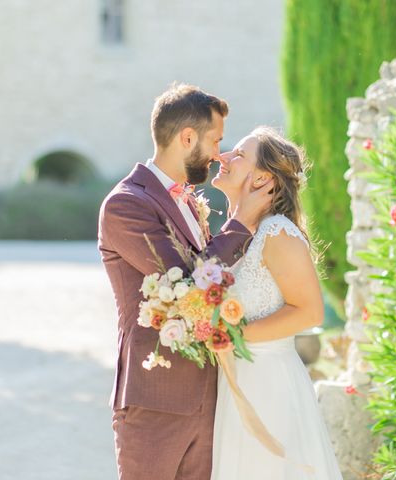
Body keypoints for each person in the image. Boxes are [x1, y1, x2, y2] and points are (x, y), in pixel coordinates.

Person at [97, 84, 273, 480]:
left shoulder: (190, 200)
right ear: (187, 138)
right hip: (155, 400)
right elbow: (192, 286)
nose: (219, 154)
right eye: (216, 140)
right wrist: (242, 222)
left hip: (210, 398)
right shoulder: (127, 204)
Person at [210, 126, 343, 479]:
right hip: (237, 382)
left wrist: (230, 336)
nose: (223, 157)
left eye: (238, 155)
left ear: (263, 178)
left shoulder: (276, 231)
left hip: (269, 385)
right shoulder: (237, 234)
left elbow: (309, 311)